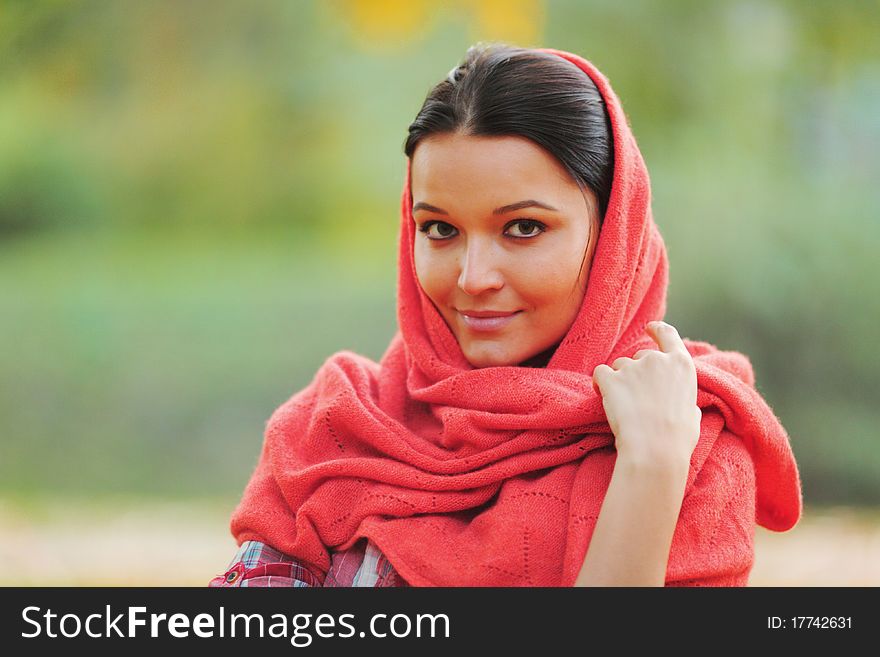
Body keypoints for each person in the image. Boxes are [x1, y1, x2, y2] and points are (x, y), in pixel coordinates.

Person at [210, 44, 802, 588]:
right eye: (439, 229)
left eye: (523, 228)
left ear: (612, 235)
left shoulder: (688, 442)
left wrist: (649, 470)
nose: (473, 278)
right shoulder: (332, 428)